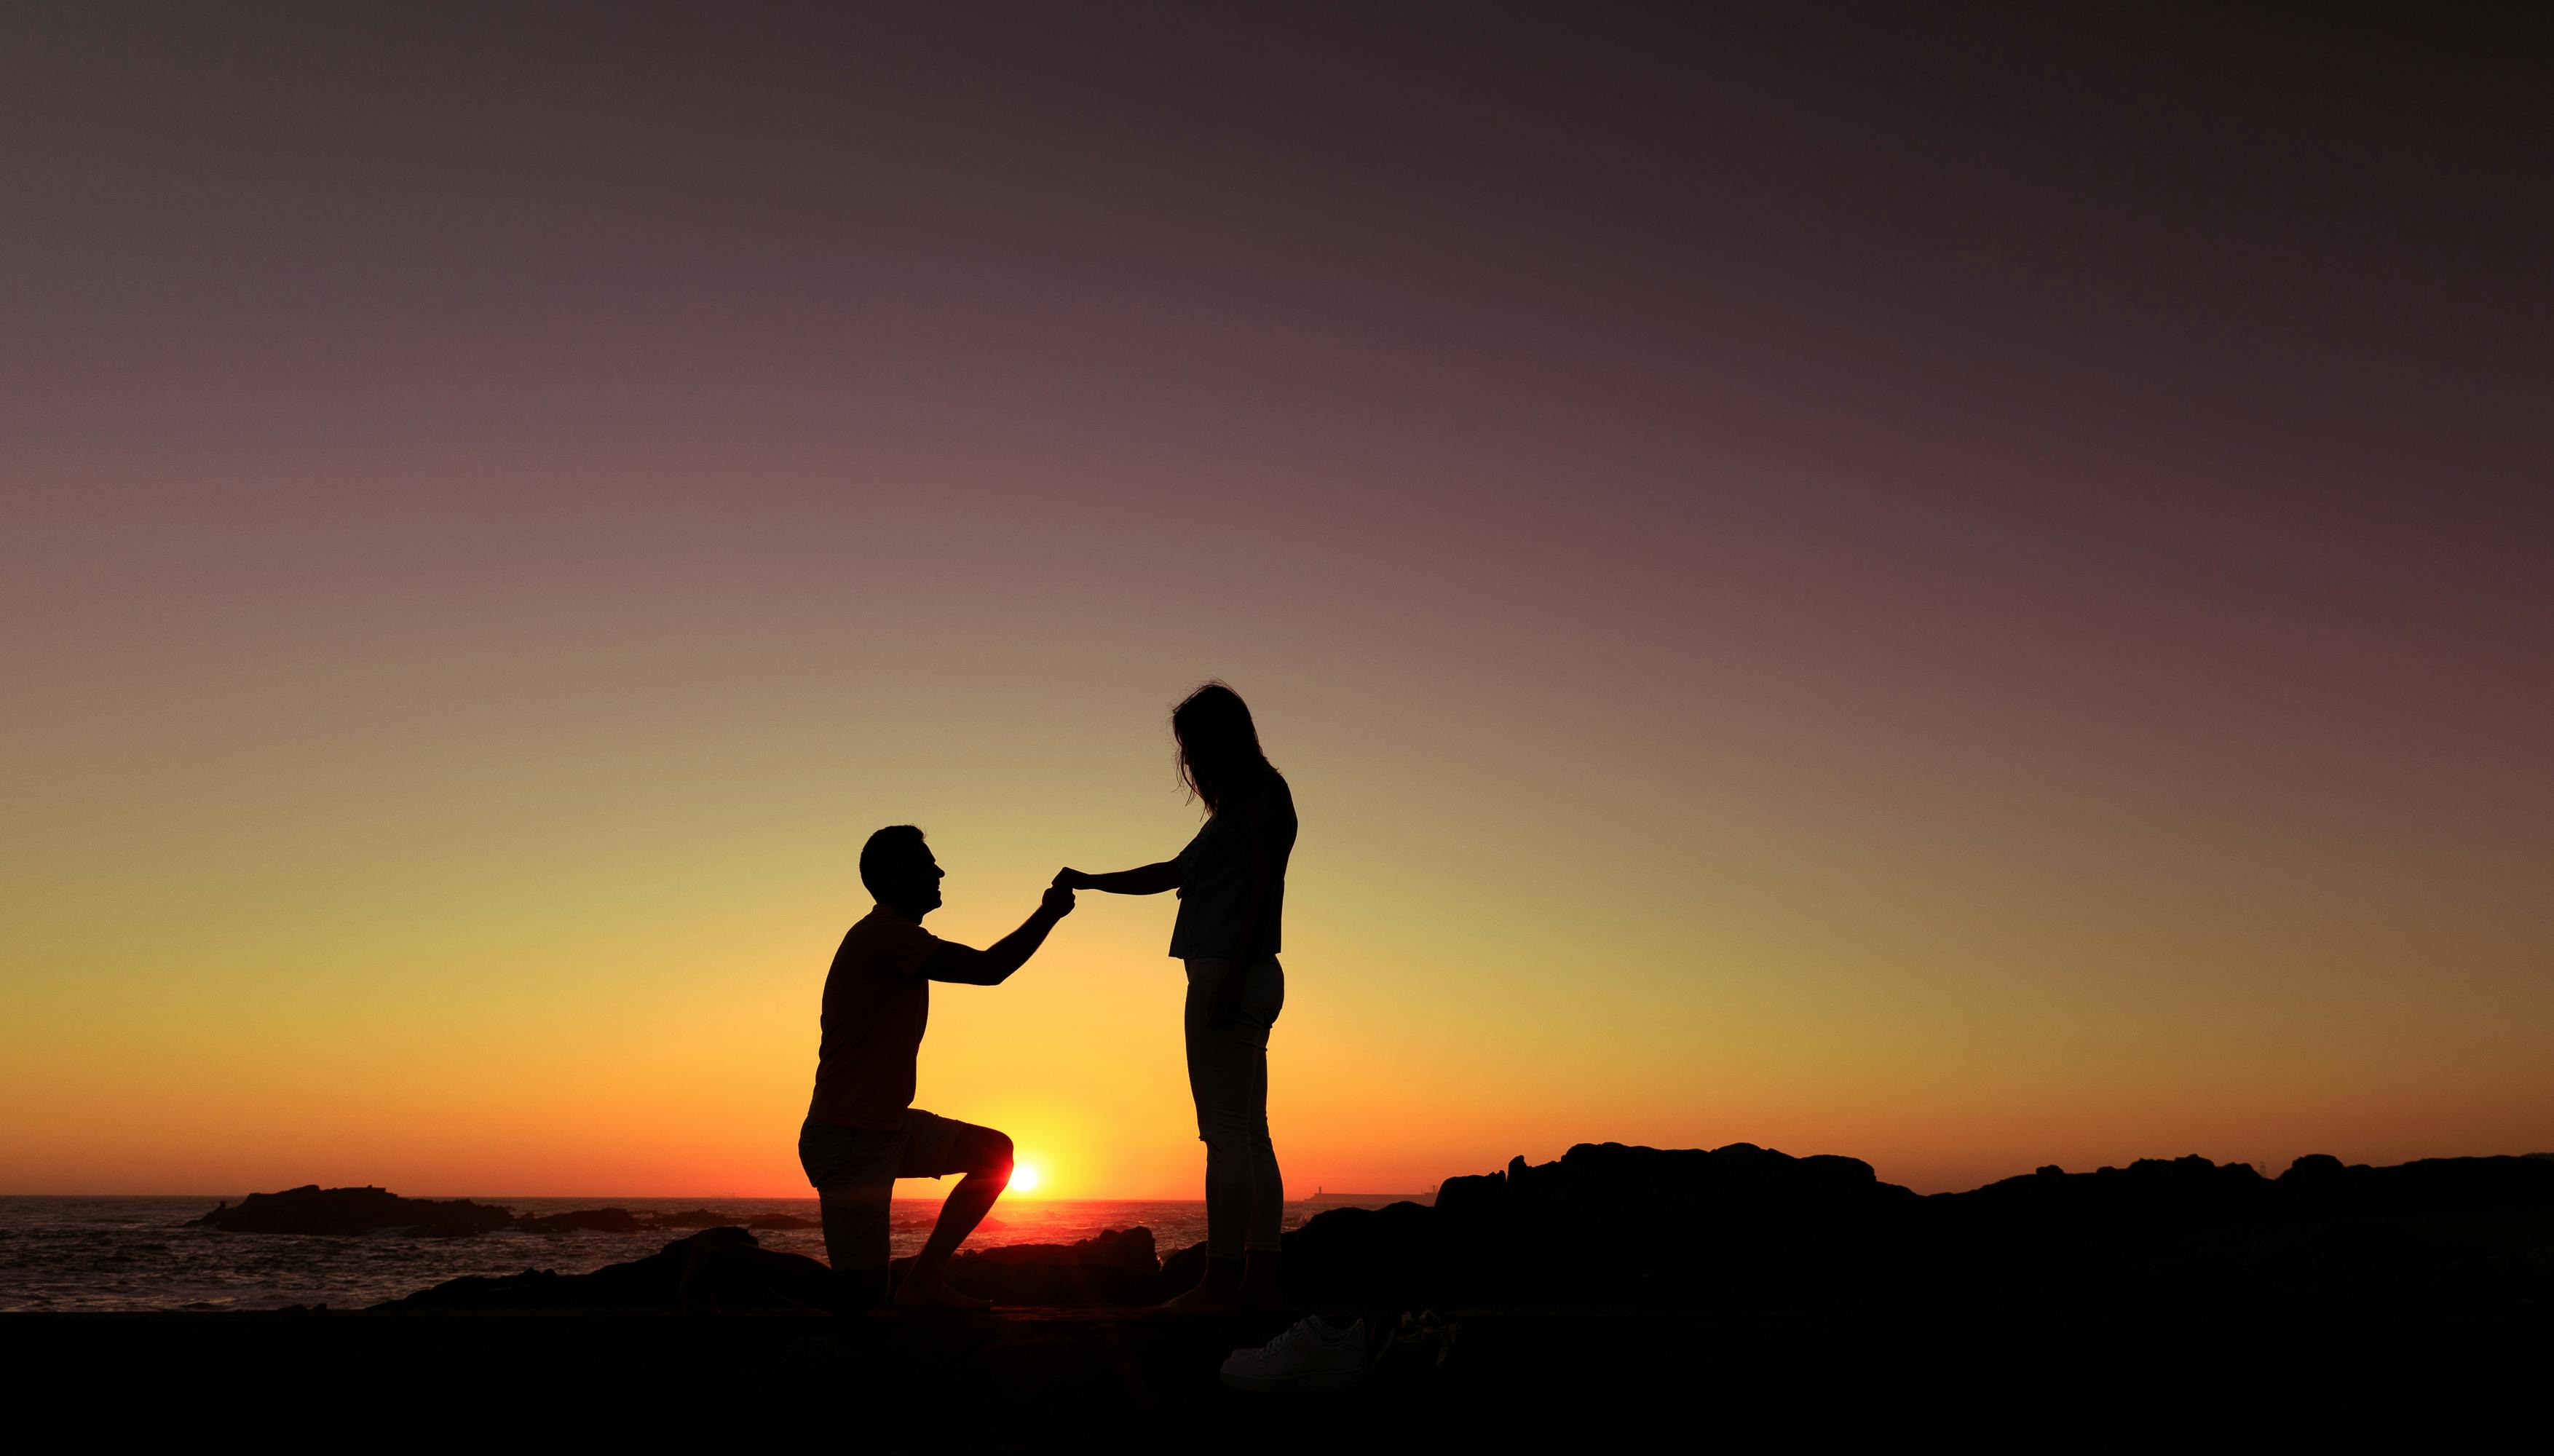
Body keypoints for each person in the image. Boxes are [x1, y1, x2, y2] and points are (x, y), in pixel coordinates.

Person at [1060, 681, 1297, 1313]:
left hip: (1230, 972)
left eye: (1193, 745)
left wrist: (1231, 974)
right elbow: (1170, 873)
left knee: (1225, 1134)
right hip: (1237, 972)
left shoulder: (1262, 801)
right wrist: (1091, 881)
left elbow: (1261, 899)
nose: (1188, 760)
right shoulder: (1242, 808)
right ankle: (1260, 1279)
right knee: (1250, 1133)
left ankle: (1221, 1282)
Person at [799, 825, 1074, 1313]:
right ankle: (726, 1258)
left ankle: (923, 1282)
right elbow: (990, 969)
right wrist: (1050, 912)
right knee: (862, 1302)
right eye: (927, 865)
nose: (940, 871)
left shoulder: (897, 938)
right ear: (894, 876)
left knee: (994, 1154)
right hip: (848, 1139)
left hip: (888, 1128)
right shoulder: (883, 936)